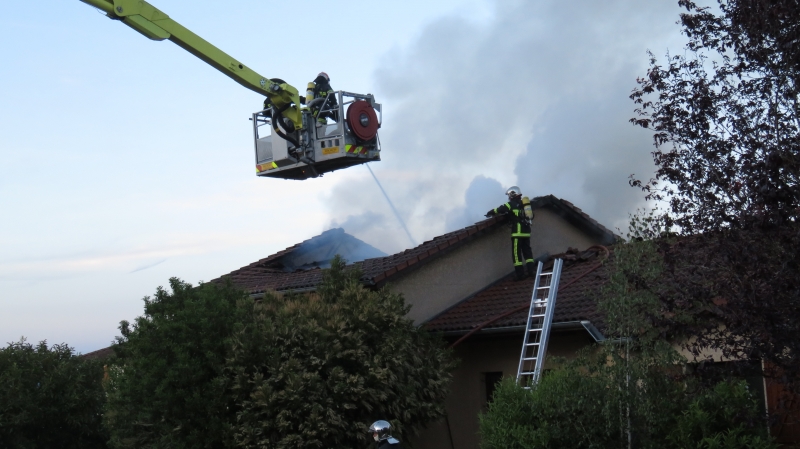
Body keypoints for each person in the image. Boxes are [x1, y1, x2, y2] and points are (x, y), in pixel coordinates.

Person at [486, 186, 535, 280]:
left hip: (517, 233)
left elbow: (500, 209)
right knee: (527, 253)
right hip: (526, 233)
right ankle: (531, 271)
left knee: (516, 254)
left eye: (509, 195)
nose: (509, 197)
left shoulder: (511, 204)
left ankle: (520, 275)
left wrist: (490, 212)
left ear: (512, 195)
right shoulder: (525, 204)